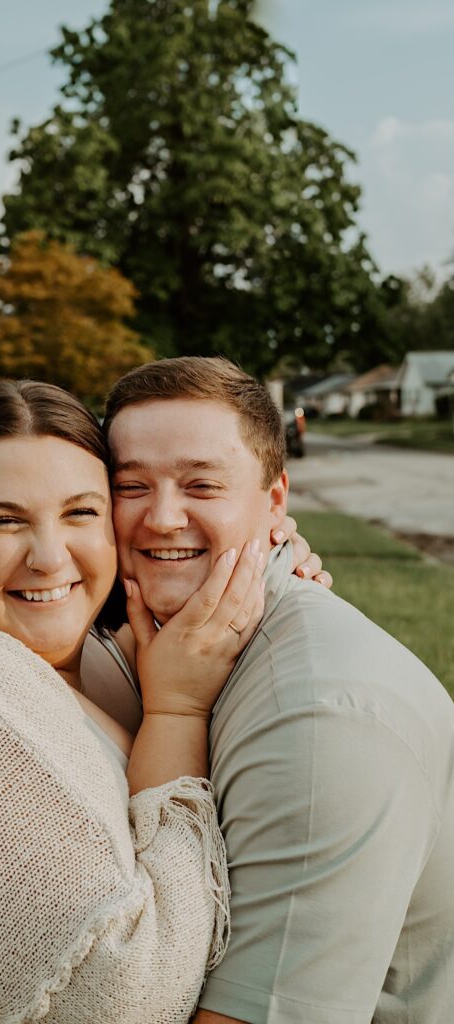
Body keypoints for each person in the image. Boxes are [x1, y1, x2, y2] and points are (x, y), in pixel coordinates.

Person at [0, 379, 321, 1024]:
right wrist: (177, 710)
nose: (49, 556)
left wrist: (264, 560)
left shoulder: (83, 661)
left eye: (81, 513)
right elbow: (123, 1000)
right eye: (2, 520)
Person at [102, 355, 454, 1024]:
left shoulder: (322, 724)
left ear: (274, 502)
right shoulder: (140, 634)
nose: (163, 518)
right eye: (131, 486)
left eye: (202, 484)